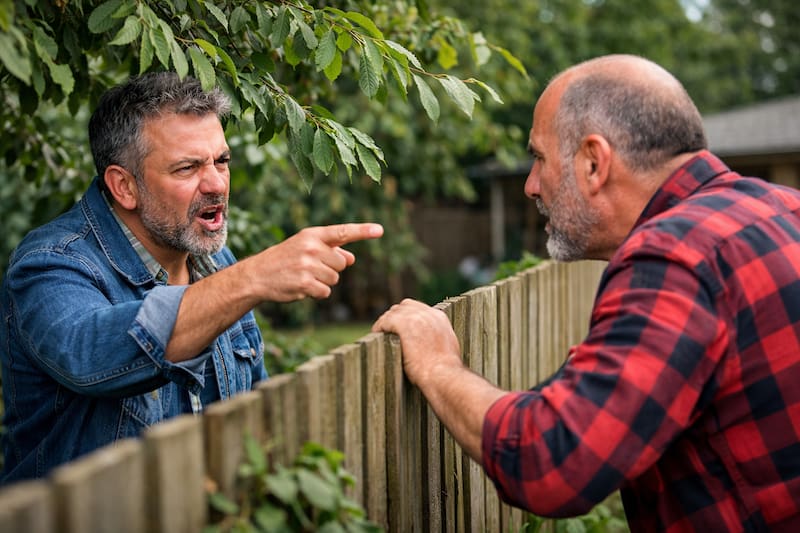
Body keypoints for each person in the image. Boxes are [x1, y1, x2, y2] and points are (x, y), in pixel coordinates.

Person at [372, 54, 800, 531]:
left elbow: (552, 464)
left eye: (538, 158)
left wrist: (437, 365)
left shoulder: (673, 258)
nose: (531, 186)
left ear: (594, 162)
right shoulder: (784, 207)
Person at [0, 72, 383, 483]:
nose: (217, 183)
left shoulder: (217, 263)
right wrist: (252, 278)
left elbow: (255, 420)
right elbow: (90, 353)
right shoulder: (50, 265)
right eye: (187, 168)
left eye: (221, 161)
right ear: (124, 186)